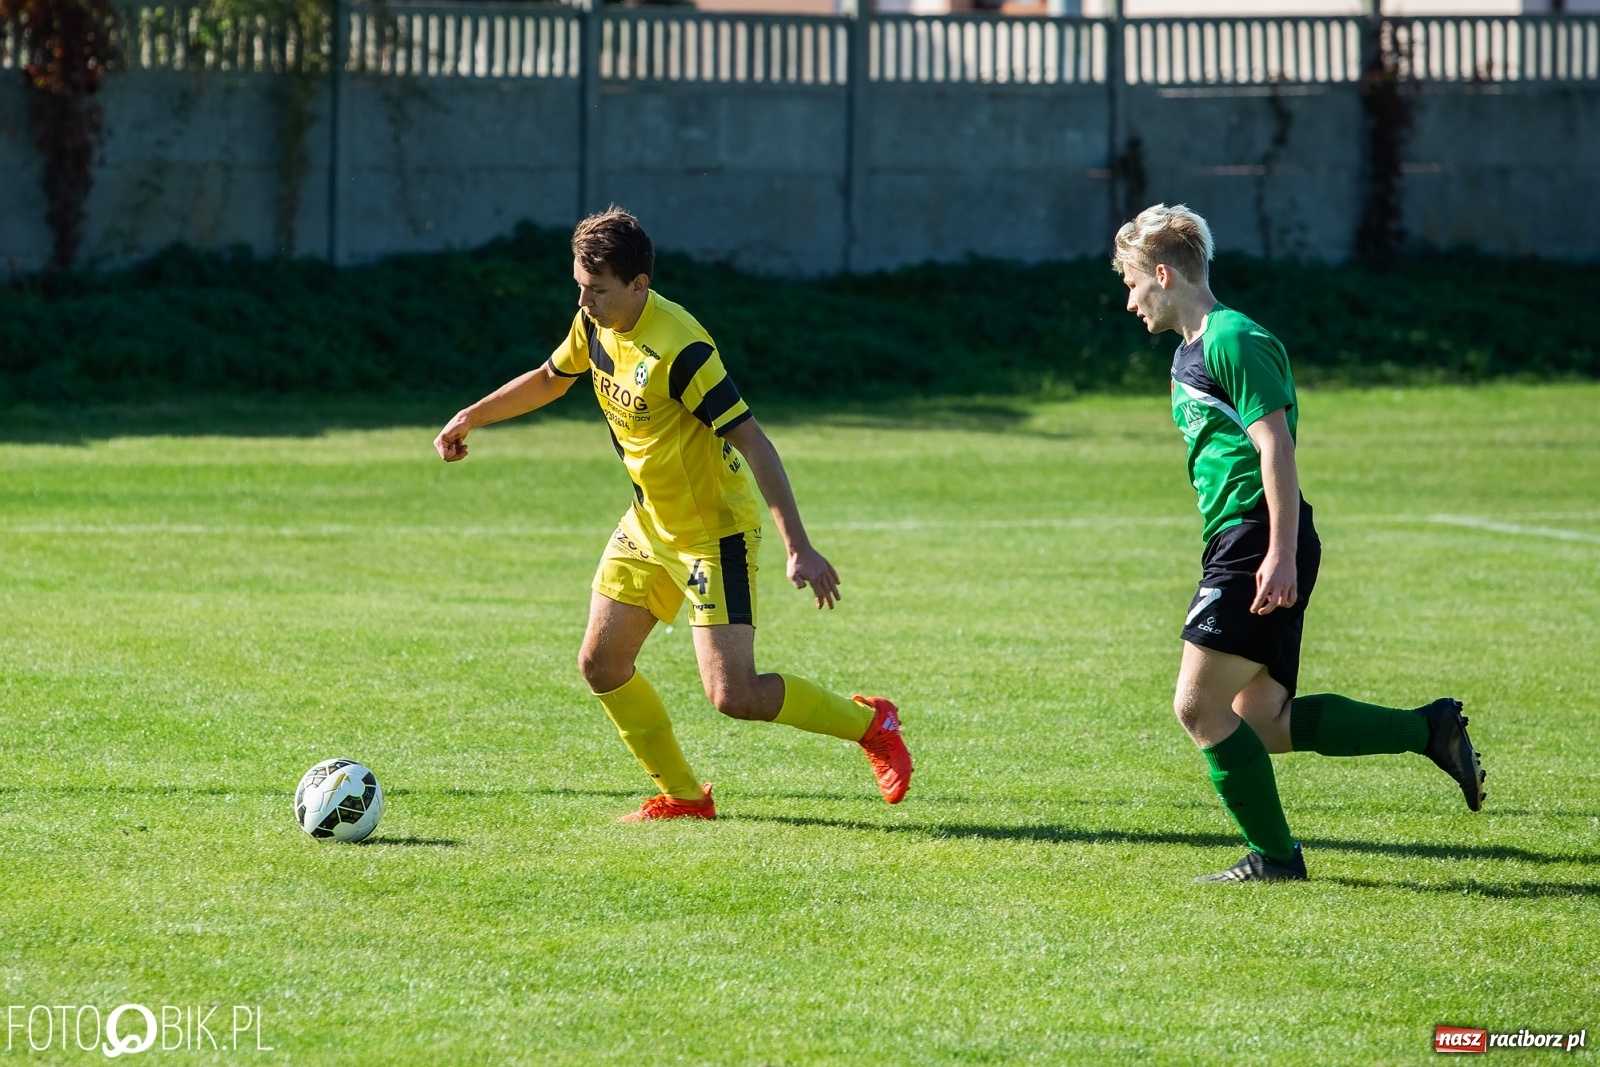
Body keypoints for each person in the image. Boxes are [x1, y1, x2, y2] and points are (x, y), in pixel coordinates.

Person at [433, 208, 911, 821]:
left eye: (597, 289)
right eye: (579, 284)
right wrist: (471, 416)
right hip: (648, 524)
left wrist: (800, 545)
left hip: (715, 535)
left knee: (733, 695)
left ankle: (873, 723)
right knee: (601, 663)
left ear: (639, 285)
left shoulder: (681, 349)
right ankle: (685, 797)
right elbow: (552, 379)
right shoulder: (595, 323)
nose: (584, 300)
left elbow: (755, 442)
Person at [1112, 203, 1485, 882]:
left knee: (1196, 707)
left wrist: (1279, 551)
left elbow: (1274, 447)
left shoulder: (1234, 338)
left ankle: (1277, 858)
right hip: (1240, 538)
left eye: (1133, 281)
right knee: (1262, 721)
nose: (1130, 298)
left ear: (1162, 274)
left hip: (1256, 536)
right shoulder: (1185, 356)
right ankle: (1427, 729)